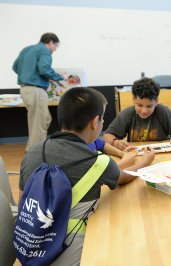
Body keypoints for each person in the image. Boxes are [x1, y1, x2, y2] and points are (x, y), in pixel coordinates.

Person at [18, 87, 155, 265]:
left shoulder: (34, 151)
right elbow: (122, 177)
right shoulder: (98, 161)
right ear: (95, 122)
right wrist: (144, 163)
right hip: (67, 255)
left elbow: (23, 204)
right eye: (103, 118)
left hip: (28, 247)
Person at [12, 33, 67, 152]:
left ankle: (31, 148)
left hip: (25, 89)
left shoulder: (26, 49)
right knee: (39, 122)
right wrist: (60, 77)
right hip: (36, 90)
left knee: (43, 119)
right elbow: (44, 69)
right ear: (51, 42)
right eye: (56, 46)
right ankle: (36, 153)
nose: (55, 50)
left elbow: (15, 67)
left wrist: (28, 74)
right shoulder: (44, 50)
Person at [103, 77, 171, 151]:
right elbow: (107, 136)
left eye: (149, 106)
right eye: (139, 105)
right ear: (133, 99)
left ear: (156, 101)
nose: (144, 111)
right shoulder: (127, 114)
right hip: (135, 155)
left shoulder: (163, 112)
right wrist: (115, 142)